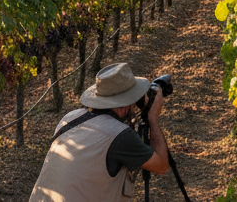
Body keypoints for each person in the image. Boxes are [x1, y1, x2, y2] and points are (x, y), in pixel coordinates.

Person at [29, 62, 170, 202]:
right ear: (125, 106)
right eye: (133, 101)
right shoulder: (120, 136)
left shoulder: (70, 118)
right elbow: (162, 166)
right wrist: (152, 117)